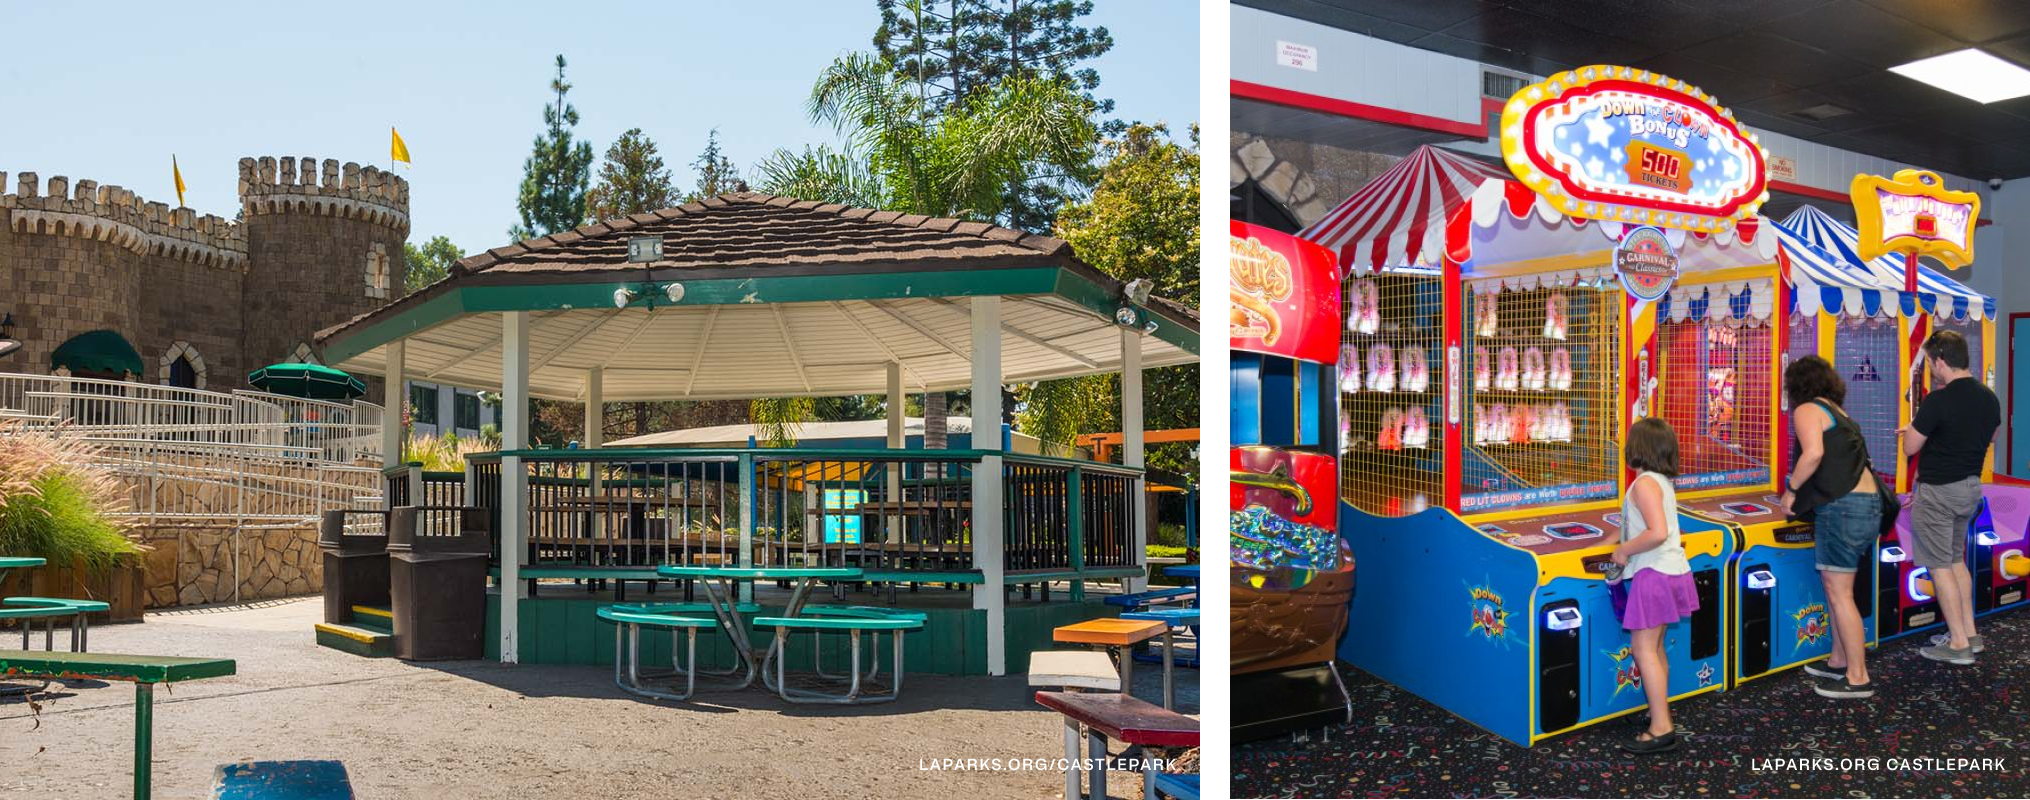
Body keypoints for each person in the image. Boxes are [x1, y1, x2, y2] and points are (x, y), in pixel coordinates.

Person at [1779, 355, 1879, 699]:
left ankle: (1858, 675)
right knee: (1837, 589)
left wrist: (1791, 491)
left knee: (1840, 594)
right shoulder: (1838, 412)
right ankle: (1839, 660)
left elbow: (1813, 454)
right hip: (1865, 506)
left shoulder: (1807, 410)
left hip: (1844, 508)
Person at [1901, 330, 2001, 665]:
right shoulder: (1988, 397)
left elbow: (1910, 446)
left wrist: (1919, 428)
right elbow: (1992, 434)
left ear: (1941, 361)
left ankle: (1957, 644)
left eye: (1931, 362)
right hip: (1970, 488)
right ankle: (1969, 634)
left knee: (1940, 565)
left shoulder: (1939, 400)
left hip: (1940, 493)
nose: (1931, 368)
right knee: (1956, 561)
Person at [1609, 417, 1701, 754]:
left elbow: (1656, 532)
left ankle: (1661, 728)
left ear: (1638, 448)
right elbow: (1639, 526)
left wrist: (1622, 551)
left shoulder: (1645, 483)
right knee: (1656, 647)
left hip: (1654, 574)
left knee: (1642, 649)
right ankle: (1658, 711)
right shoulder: (1659, 481)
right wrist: (1615, 541)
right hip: (1670, 571)